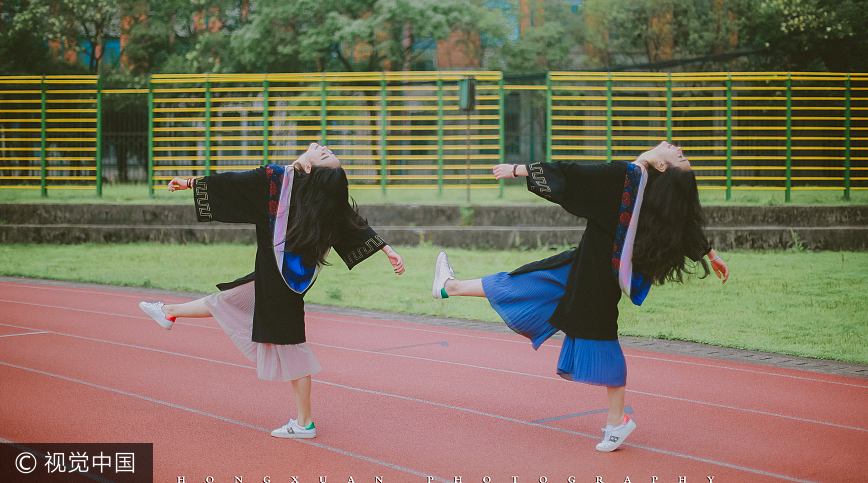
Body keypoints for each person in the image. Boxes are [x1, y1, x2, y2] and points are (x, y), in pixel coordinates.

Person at [431, 141, 728, 452]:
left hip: (595, 276)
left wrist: (519, 170)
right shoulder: (645, 187)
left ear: (663, 167)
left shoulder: (626, 176)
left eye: (679, 155)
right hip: (585, 263)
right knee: (527, 281)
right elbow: (683, 224)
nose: (676, 146)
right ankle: (449, 287)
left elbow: (572, 175)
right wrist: (710, 252)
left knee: (601, 340)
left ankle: (618, 423)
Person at [139, 142, 405, 439]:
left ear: (307, 168)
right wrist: (387, 249)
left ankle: (305, 424)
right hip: (284, 274)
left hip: (280, 280)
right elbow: (352, 222)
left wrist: (190, 183)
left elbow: (233, 183)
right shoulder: (314, 194)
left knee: (293, 348)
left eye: (324, 154)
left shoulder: (274, 180)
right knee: (230, 300)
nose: (321, 146)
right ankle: (168, 312)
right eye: (326, 151)